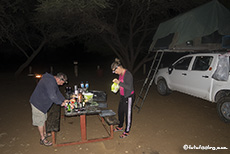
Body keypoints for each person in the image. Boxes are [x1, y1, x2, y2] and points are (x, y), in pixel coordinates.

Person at [30, 72, 69, 146]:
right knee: (40, 121)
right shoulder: (49, 82)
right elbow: (53, 96)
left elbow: (57, 92)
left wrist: (64, 100)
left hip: (43, 104)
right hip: (38, 104)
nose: (62, 84)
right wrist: (61, 103)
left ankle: (44, 134)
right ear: (59, 79)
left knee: (44, 119)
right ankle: (42, 139)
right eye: (62, 82)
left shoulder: (53, 81)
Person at [111, 58, 135, 138]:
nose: (115, 73)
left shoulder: (128, 74)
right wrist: (116, 86)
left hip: (128, 97)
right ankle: (120, 126)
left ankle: (127, 131)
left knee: (127, 114)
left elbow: (129, 87)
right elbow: (122, 85)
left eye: (115, 71)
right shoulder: (120, 74)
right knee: (120, 112)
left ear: (118, 68)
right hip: (122, 96)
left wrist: (119, 83)